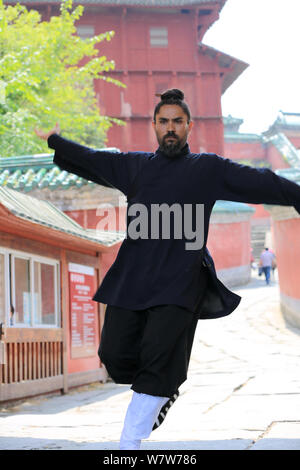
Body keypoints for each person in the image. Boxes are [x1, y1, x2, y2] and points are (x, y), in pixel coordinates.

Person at [34, 89, 300, 450]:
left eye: (177, 121)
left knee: (160, 358)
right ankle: (162, 389)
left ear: (188, 126)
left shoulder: (207, 169)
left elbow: (261, 181)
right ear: (154, 126)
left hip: (180, 282)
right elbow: (92, 160)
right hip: (134, 278)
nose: (171, 128)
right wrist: (55, 140)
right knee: (113, 354)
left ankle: (131, 441)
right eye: (164, 122)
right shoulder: (135, 167)